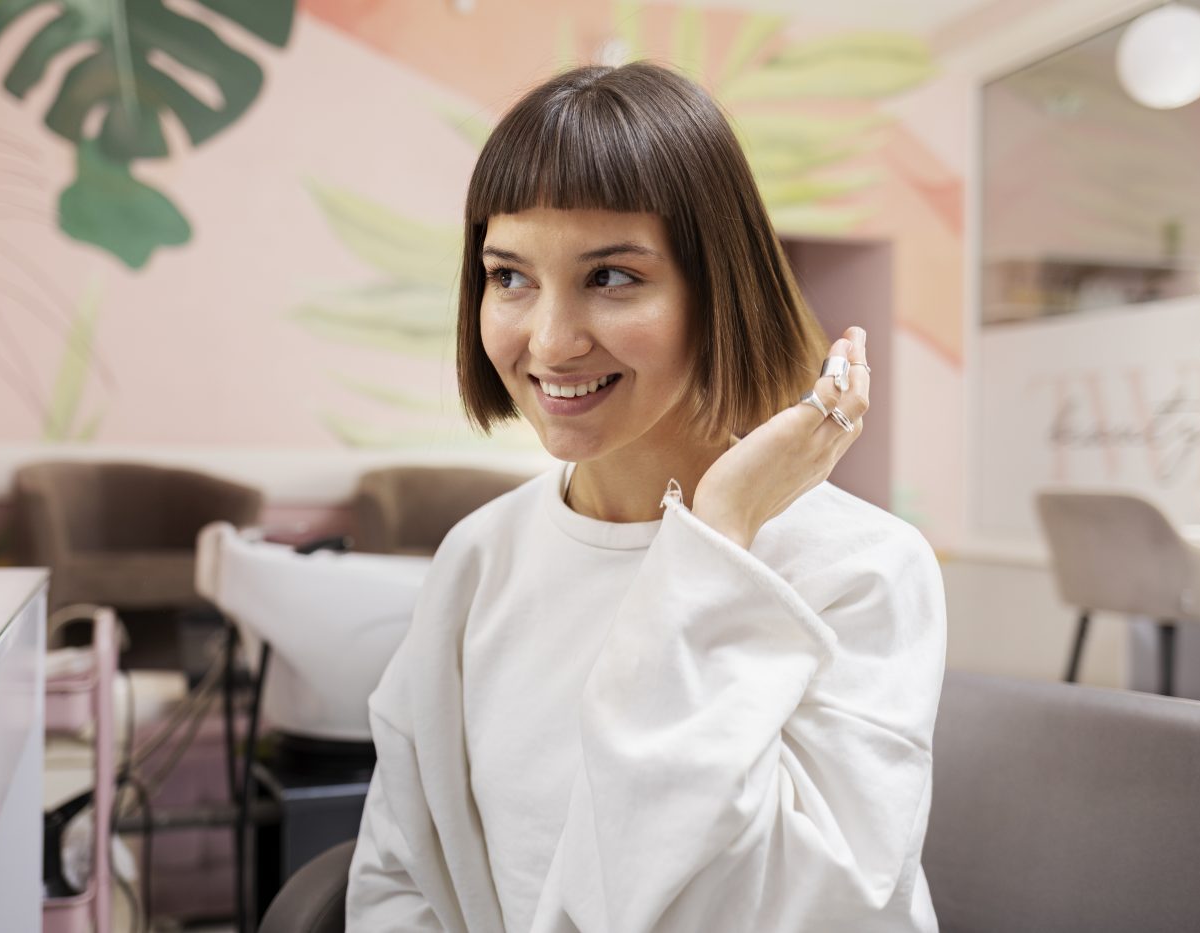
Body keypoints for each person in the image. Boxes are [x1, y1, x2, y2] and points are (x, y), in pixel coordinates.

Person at [345, 61, 946, 932]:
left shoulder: (862, 569)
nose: (550, 340)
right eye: (509, 276)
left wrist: (719, 537)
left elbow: (799, 908)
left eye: (612, 276)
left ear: (719, 290)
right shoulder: (480, 556)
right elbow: (401, 872)